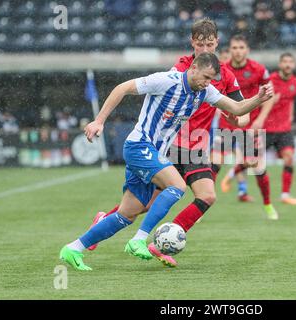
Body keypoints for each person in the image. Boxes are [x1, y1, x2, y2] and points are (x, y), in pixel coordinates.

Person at [59, 52, 273, 271]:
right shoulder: (166, 81)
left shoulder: (205, 91)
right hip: (139, 145)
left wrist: (258, 98)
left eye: (211, 80)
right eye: (206, 77)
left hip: (154, 152)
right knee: (177, 185)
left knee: (127, 214)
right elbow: (122, 88)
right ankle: (139, 240)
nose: (208, 83)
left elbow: (236, 108)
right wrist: (99, 121)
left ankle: (74, 248)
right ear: (193, 69)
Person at [86, 18, 249, 266]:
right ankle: (106, 220)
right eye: (200, 44)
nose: (205, 49)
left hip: (196, 147)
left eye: (210, 44)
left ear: (217, 43)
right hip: (171, 145)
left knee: (207, 196)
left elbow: (242, 113)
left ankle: (160, 243)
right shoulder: (183, 68)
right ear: (192, 43)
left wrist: (238, 119)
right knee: (144, 205)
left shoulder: (224, 74)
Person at [216, 35, 279, 222]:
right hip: (226, 124)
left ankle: (268, 205)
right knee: (212, 165)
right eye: (234, 47)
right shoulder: (222, 69)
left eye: (241, 47)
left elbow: (270, 94)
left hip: (249, 126)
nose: (237, 50)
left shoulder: (258, 70)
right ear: (230, 49)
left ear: (247, 49)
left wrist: (260, 119)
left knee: (257, 167)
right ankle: (201, 205)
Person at [263, 52, 296, 205]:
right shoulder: (270, 81)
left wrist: (290, 115)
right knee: (250, 161)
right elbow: (259, 101)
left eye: (290, 62)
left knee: (289, 158)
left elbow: (290, 100)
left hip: (284, 129)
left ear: (294, 65)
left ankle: (285, 195)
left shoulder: (295, 82)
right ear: (280, 64)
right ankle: (231, 176)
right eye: (284, 61)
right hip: (267, 128)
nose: (287, 64)